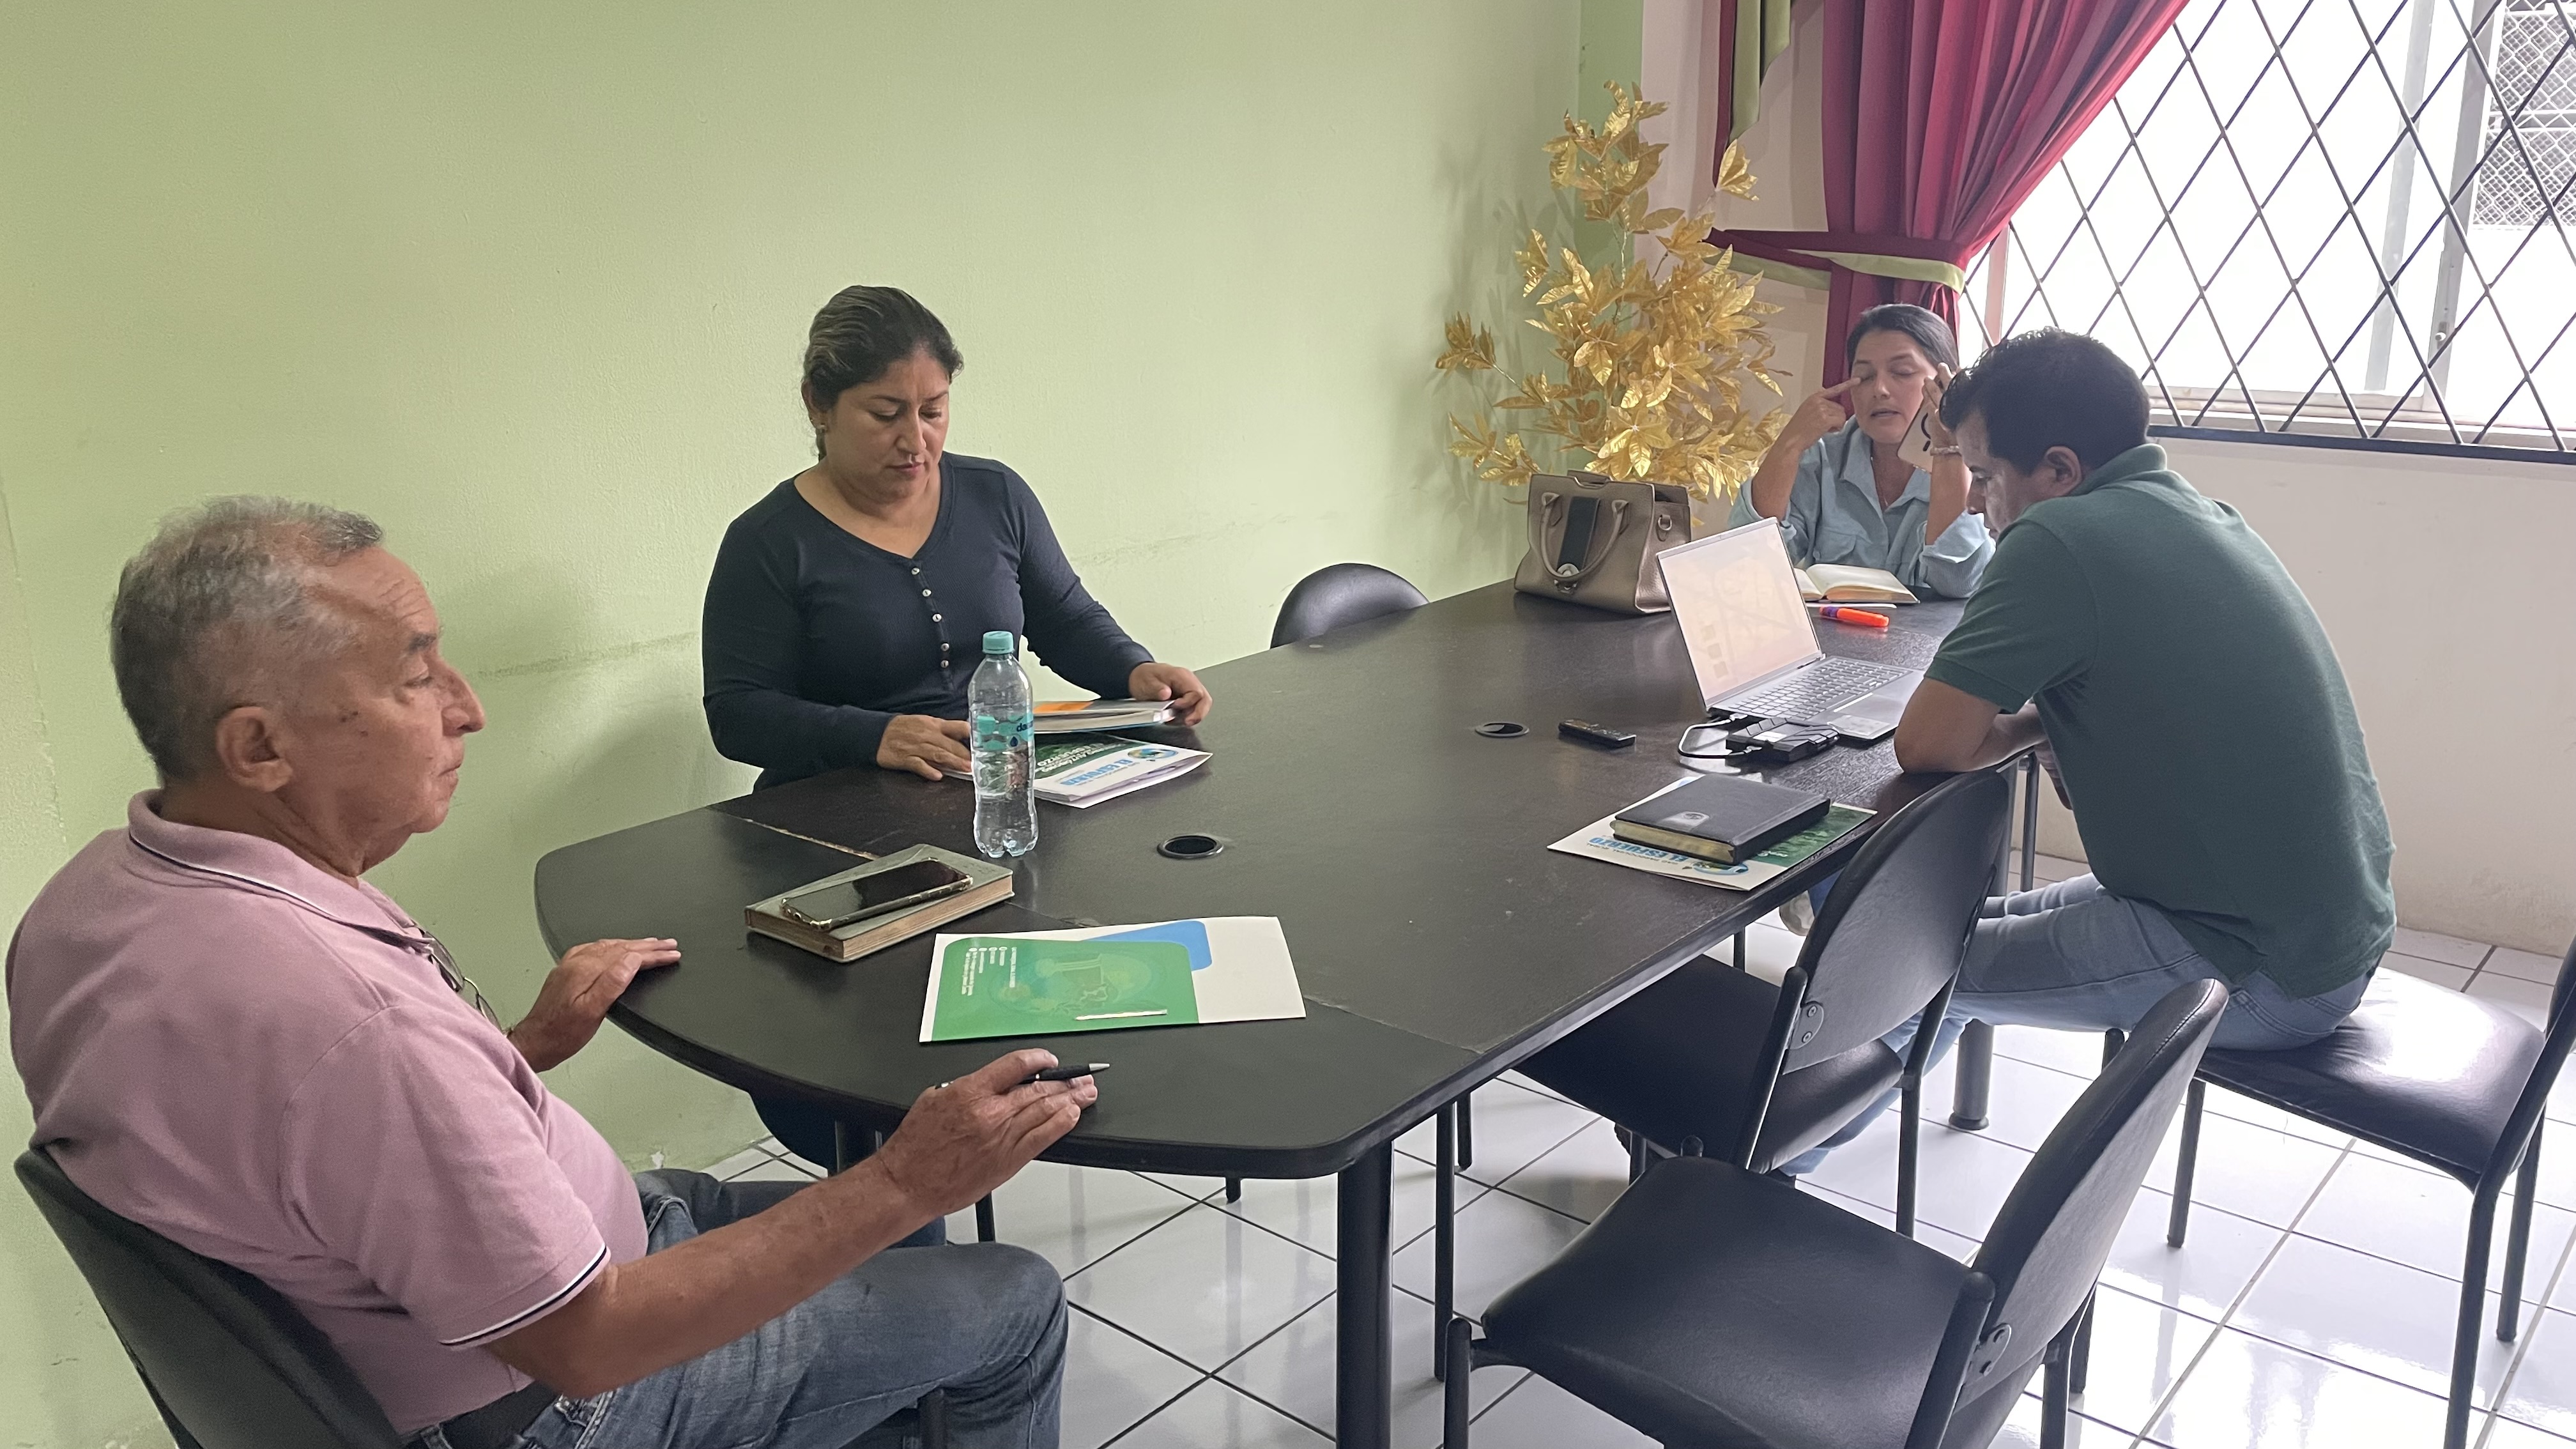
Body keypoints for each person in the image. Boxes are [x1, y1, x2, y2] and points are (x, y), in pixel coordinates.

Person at [10, 498, 1091, 1448]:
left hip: (506, 1274)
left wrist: (511, 1051)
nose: (467, 706)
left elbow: (296, 1134)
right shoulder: (354, 1024)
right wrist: (905, 1179)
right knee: (1010, 1293)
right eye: (415, 676)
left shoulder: (88, 905)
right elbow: (589, 1342)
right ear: (257, 749)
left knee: (892, 1229)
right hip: (552, 1395)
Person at [1785, 330, 2395, 1174]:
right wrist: (2047, 722)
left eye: (1986, 476)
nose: (1975, 504)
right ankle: (1776, 1150)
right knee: (1932, 939)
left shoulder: (2059, 538)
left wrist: (2031, 724)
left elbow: (1926, 743)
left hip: (2254, 962)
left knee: (1916, 967)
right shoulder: (2201, 512)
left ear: (2060, 471)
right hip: (2319, 929)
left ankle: (1755, 1163)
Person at [702, 284, 1210, 790]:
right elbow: (738, 713)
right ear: (818, 404)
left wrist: (1135, 671)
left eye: (933, 412)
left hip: (991, 786)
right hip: (837, 804)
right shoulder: (767, 542)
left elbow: (1065, 620)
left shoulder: (997, 495)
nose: (915, 440)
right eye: (885, 415)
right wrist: (874, 736)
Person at [1729, 302, 1993, 602]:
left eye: (1902, 372)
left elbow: (1957, 581)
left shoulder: (1980, 466)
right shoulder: (1824, 458)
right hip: (1834, 628)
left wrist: (1948, 450)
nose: (1879, 389)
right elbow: (1745, 558)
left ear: (1944, 383)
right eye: (1865, 377)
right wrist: (1789, 445)